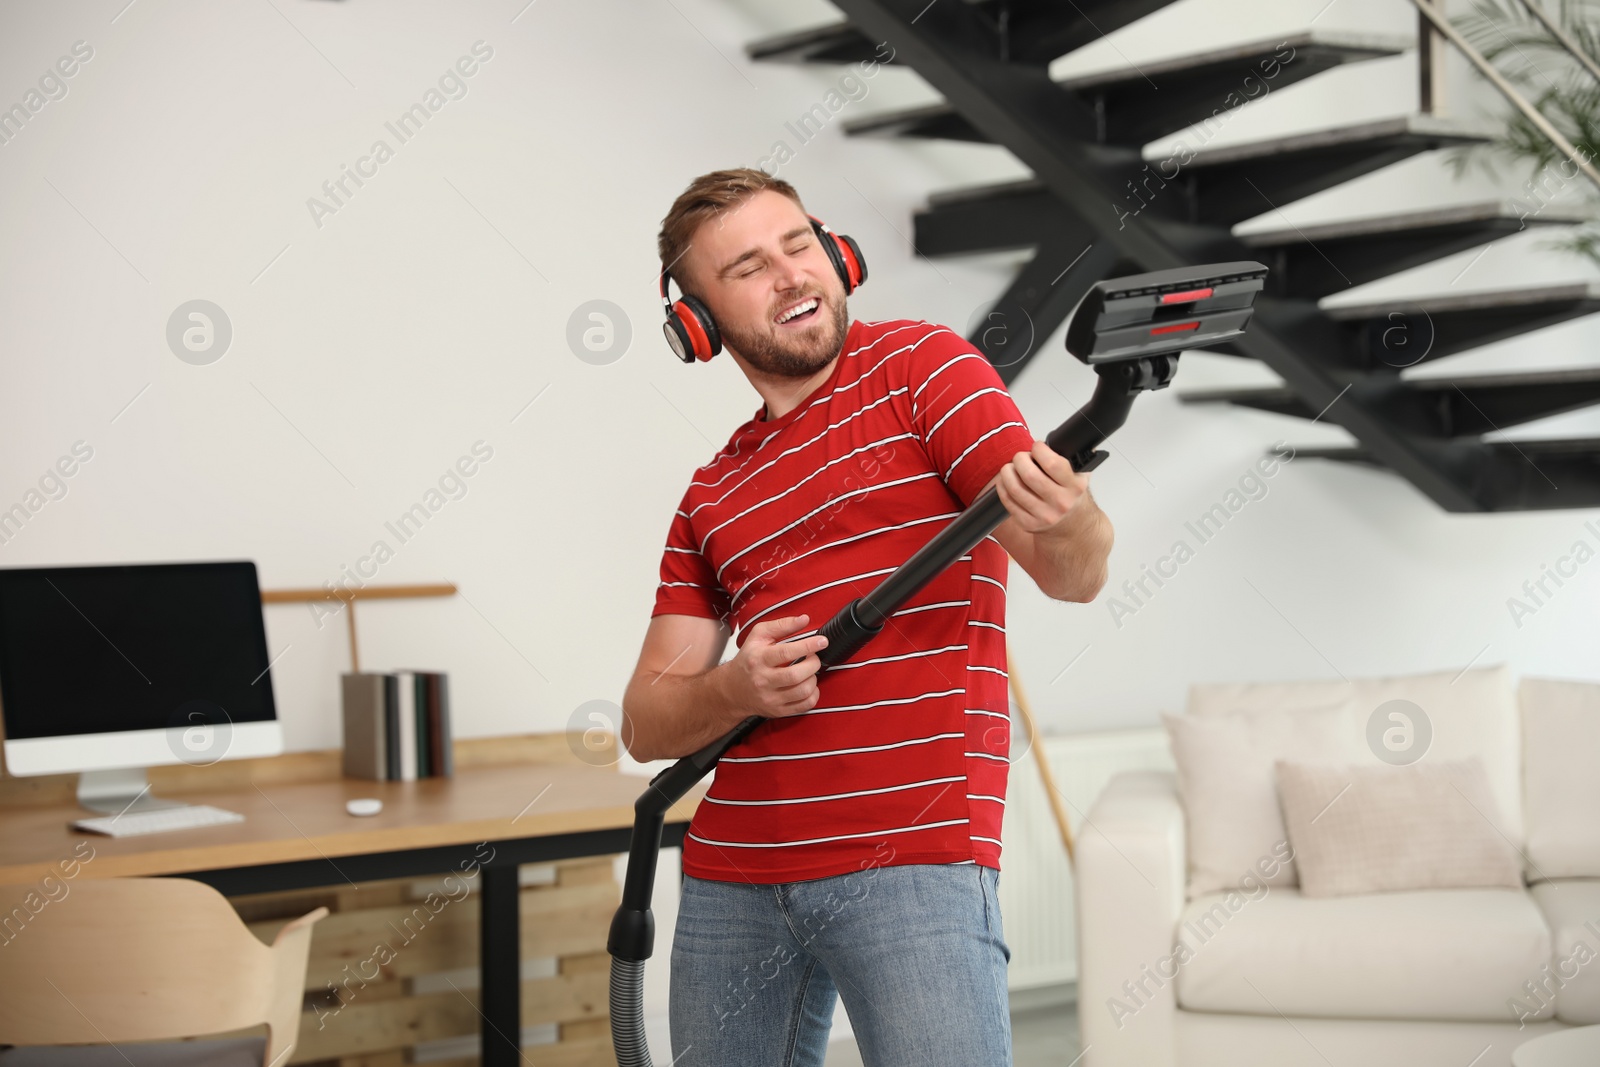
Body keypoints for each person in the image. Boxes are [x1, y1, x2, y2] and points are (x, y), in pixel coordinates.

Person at [621, 167, 1113, 1067]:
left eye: (799, 245)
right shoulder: (712, 493)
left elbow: (1069, 573)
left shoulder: (923, 368)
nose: (792, 275)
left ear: (837, 256)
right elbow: (647, 719)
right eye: (748, 268)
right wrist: (736, 685)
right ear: (699, 325)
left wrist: (1073, 514)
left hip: (913, 855)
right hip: (734, 873)